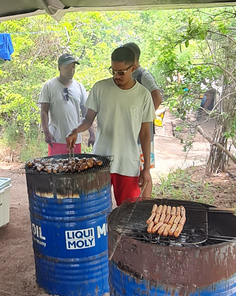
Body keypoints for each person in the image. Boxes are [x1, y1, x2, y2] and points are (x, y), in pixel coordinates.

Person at [66, 47, 155, 206]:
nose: (116, 76)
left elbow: (145, 133)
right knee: (96, 209)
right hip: (100, 162)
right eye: (113, 71)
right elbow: (88, 119)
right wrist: (75, 131)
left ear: (132, 68)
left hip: (128, 163)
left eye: (121, 72)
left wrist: (146, 168)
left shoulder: (143, 95)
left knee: (128, 212)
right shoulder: (100, 88)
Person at [122, 42, 163, 198]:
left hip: (142, 132)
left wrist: (143, 118)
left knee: (144, 169)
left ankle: (145, 205)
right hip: (128, 131)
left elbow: (157, 97)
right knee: (131, 168)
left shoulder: (142, 75)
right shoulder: (126, 75)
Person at [39, 53, 95, 156]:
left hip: (75, 139)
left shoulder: (79, 87)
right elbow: (44, 111)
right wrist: (46, 132)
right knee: (56, 168)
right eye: (67, 67)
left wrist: (91, 133)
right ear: (59, 68)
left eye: (73, 67)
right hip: (56, 138)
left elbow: (86, 113)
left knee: (74, 168)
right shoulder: (49, 86)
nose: (71, 70)